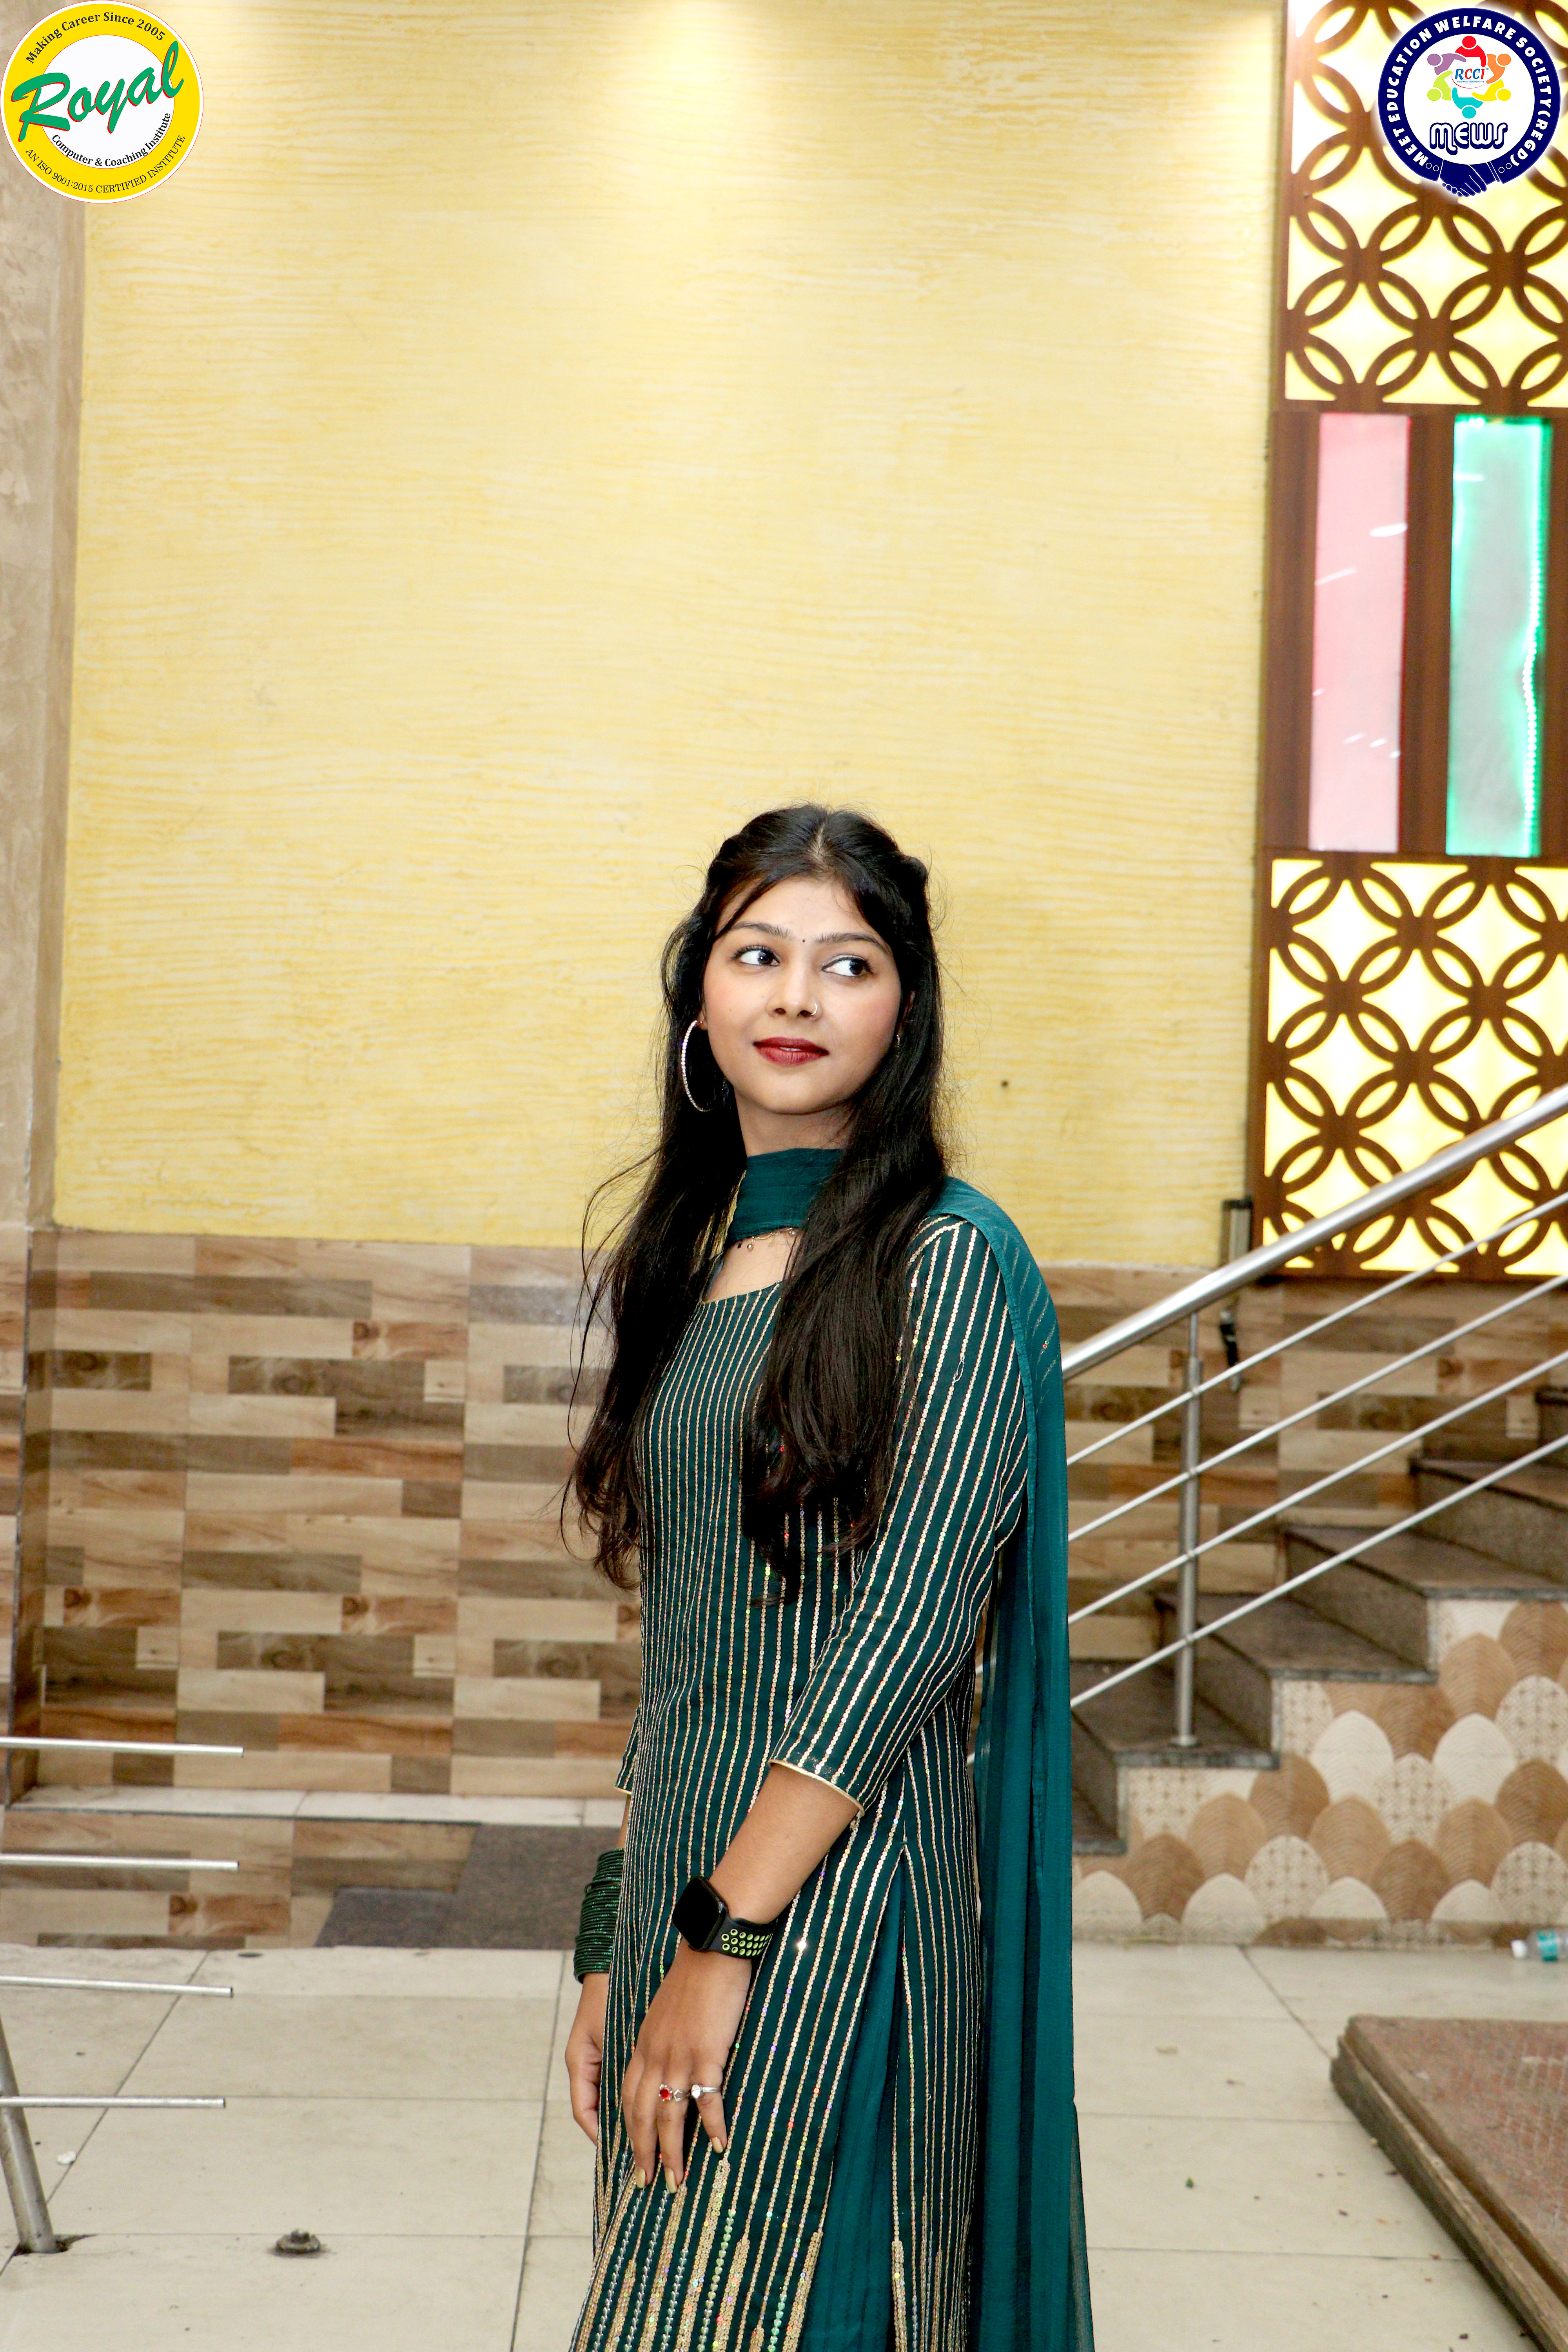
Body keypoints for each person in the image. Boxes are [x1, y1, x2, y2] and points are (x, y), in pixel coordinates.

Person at [563, 805, 1093, 2352]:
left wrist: (721, 1942)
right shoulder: (694, 1262)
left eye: (847, 963)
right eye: (758, 955)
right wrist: (617, 1937)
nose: (796, 996)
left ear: (904, 1012)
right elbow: (690, 1648)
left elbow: (907, 1633)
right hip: (696, 1879)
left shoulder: (946, 1260)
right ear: (700, 992)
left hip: (836, 1903)